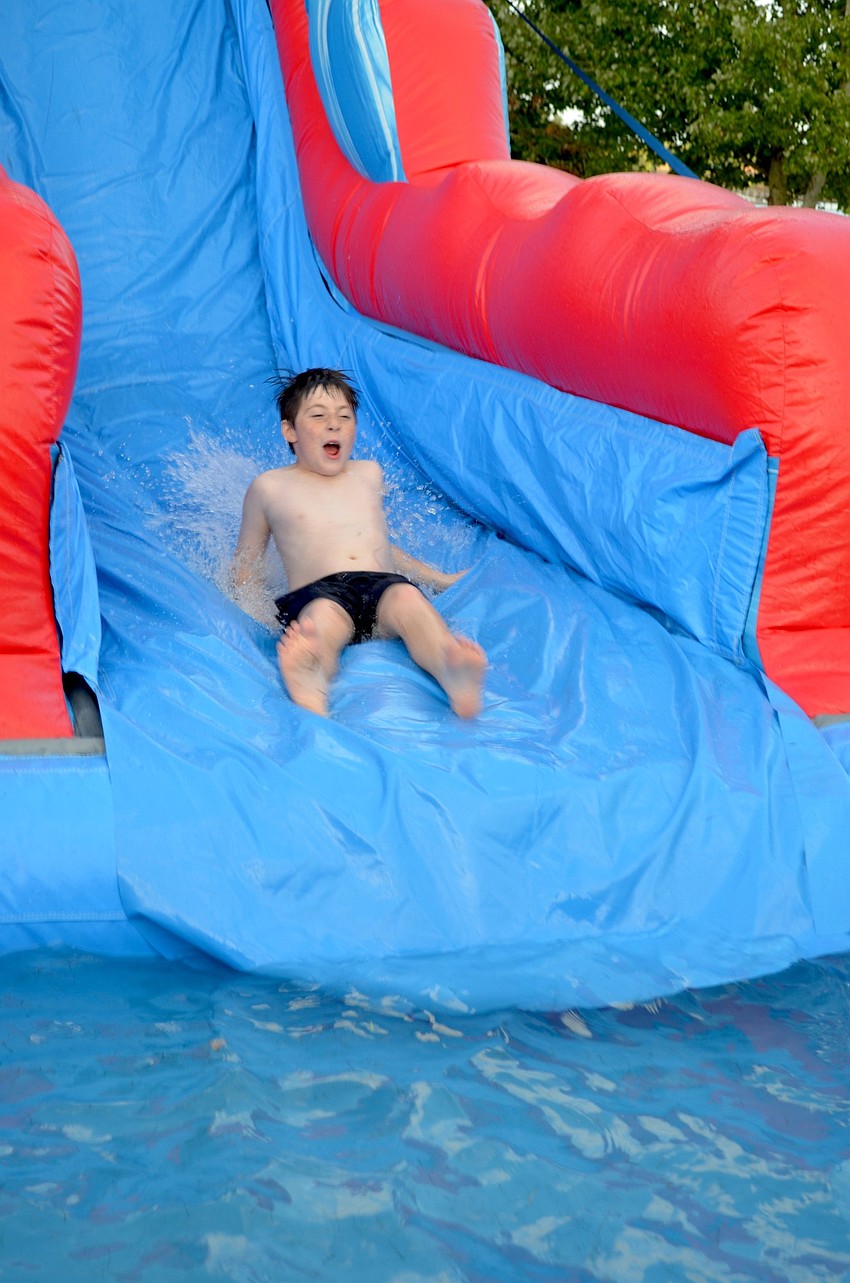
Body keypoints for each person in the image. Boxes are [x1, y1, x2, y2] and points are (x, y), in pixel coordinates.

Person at [232, 368, 486, 718]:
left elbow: (381, 545)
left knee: (409, 600)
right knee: (322, 621)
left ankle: (450, 668)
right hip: (319, 593)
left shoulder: (368, 474)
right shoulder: (269, 487)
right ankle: (311, 674)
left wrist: (438, 579)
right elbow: (246, 563)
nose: (333, 425)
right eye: (318, 416)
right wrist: (254, 614)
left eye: (344, 417)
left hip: (382, 586)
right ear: (289, 430)